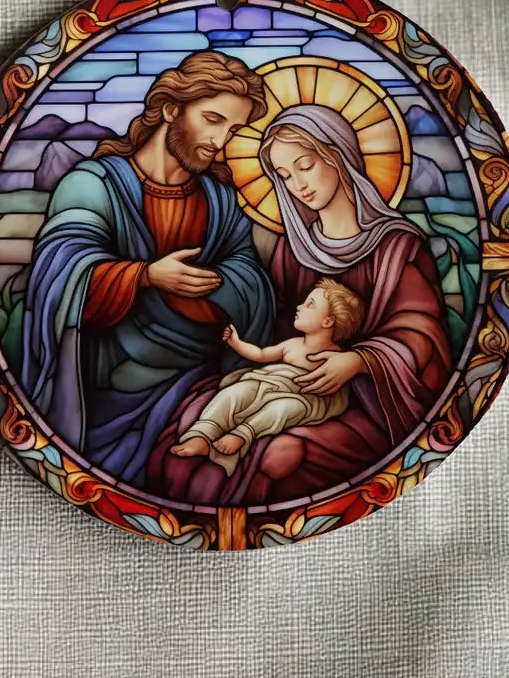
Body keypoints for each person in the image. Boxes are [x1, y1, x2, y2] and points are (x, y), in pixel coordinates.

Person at [147, 103, 453, 504]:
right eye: (285, 176)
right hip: (288, 380)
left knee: (278, 457)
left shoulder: (398, 245)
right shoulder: (294, 250)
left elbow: (422, 329)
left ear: (338, 155)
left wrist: (360, 361)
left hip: (368, 399)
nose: (297, 185)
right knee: (189, 418)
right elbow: (278, 327)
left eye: (305, 165)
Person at [18, 50, 275, 487]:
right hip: (105, 388)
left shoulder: (220, 198)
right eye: (213, 119)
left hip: (202, 380)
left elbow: (251, 278)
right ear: (171, 109)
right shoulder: (93, 184)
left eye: (233, 129)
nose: (221, 140)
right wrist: (145, 276)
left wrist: (215, 285)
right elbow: (58, 271)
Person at [170, 278, 364, 477]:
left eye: (310, 305)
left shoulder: (338, 359)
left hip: (305, 399)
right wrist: (236, 343)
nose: (300, 306)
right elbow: (261, 355)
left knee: (282, 408)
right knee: (235, 392)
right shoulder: (292, 344)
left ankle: (242, 434)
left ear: (328, 321)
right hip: (270, 383)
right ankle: (203, 434)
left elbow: (334, 392)